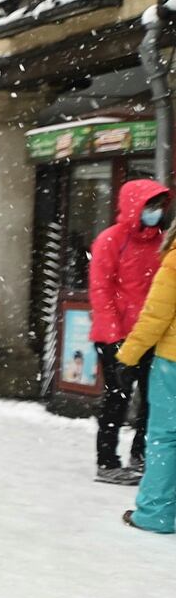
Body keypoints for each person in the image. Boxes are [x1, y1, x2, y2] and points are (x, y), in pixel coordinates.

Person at [90, 179, 169, 484]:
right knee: (117, 398)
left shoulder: (162, 241)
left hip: (151, 334)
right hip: (116, 336)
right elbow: (101, 289)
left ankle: (141, 455)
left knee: (154, 399)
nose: (156, 211)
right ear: (135, 206)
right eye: (150, 205)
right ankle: (107, 462)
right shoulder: (112, 239)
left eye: (159, 205)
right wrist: (114, 339)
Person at [119, 223, 176, 533]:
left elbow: (155, 317)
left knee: (166, 438)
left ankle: (156, 513)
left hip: (173, 364)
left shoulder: (173, 263)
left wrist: (128, 356)